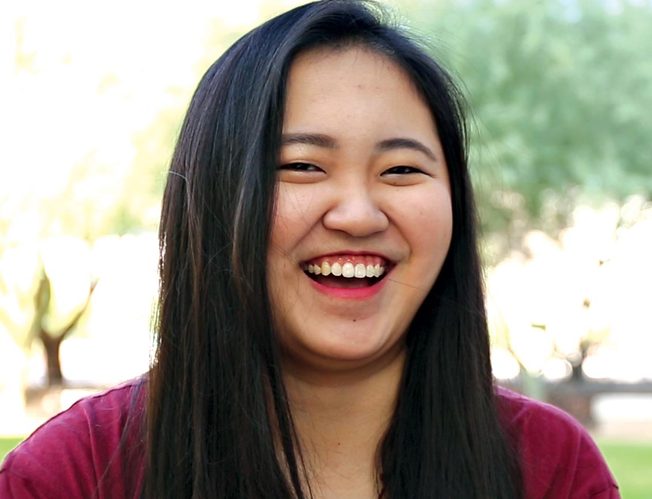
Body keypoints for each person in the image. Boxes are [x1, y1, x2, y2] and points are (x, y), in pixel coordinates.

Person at [0, 1, 619, 498]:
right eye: (301, 165)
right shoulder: (72, 475)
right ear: (214, 197)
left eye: (402, 170)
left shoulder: (550, 470)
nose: (357, 214)